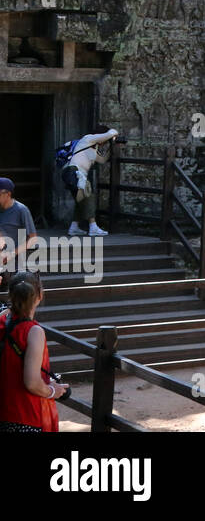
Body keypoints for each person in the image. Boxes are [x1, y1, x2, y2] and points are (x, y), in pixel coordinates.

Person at [0, 272, 68, 432]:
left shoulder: (2, 322)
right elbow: (31, 382)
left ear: (11, 295)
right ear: (39, 295)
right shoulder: (33, 331)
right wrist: (52, 391)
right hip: (26, 416)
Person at [60, 126, 118, 237]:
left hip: (74, 173)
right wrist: (113, 134)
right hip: (75, 172)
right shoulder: (88, 138)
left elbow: (102, 159)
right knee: (89, 197)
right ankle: (93, 227)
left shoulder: (92, 148)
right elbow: (111, 133)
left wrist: (112, 146)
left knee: (80, 200)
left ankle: (74, 227)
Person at [0, 178, 38, 275]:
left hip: (15, 264)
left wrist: (11, 254)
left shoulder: (21, 210)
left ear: (8, 194)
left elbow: (33, 239)